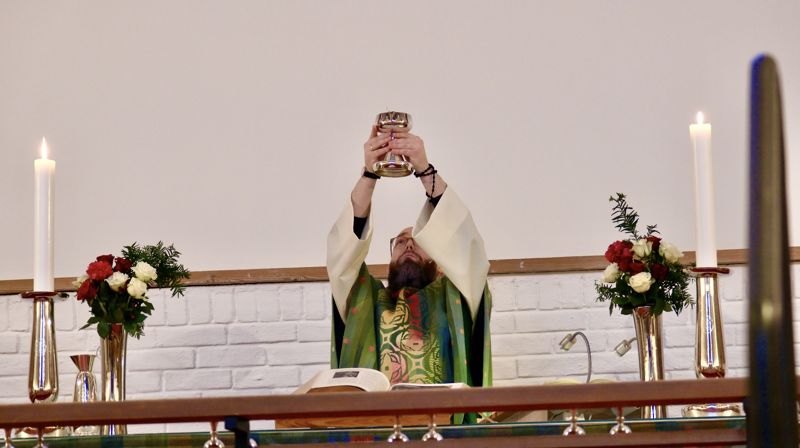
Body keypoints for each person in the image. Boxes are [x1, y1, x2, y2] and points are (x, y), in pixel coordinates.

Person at [326, 125, 493, 412]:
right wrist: (369, 173)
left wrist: (425, 169)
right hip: (380, 432)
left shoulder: (453, 298)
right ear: (388, 260)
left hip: (443, 431)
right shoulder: (366, 301)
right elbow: (343, 258)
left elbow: (467, 253)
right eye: (400, 242)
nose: (408, 245)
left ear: (442, 262)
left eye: (418, 240)